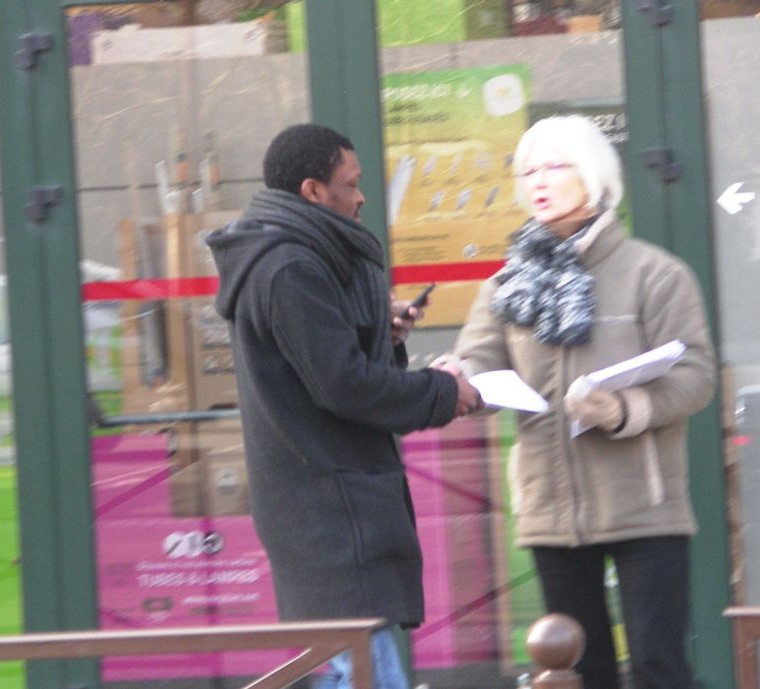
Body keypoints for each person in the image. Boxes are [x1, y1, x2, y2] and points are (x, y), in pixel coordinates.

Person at [205, 123, 481, 689]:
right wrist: (442, 392)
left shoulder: (296, 256)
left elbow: (327, 369)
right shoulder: (290, 268)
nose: (360, 197)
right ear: (312, 191)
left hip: (331, 509)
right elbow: (344, 387)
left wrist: (386, 335)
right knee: (364, 672)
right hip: (332, 516)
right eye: (350, 184)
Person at [444, 116, 716, 689]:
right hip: (550, 510)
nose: (538, 181)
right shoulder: (504, 286)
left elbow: (696, 376)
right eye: (529, 171)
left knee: (658, 667)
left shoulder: (655, 274)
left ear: (594, 176)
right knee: (576, 671)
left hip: (645, 507)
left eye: (556, 166)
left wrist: (622, 411)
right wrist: (459, 375)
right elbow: (479, 358)